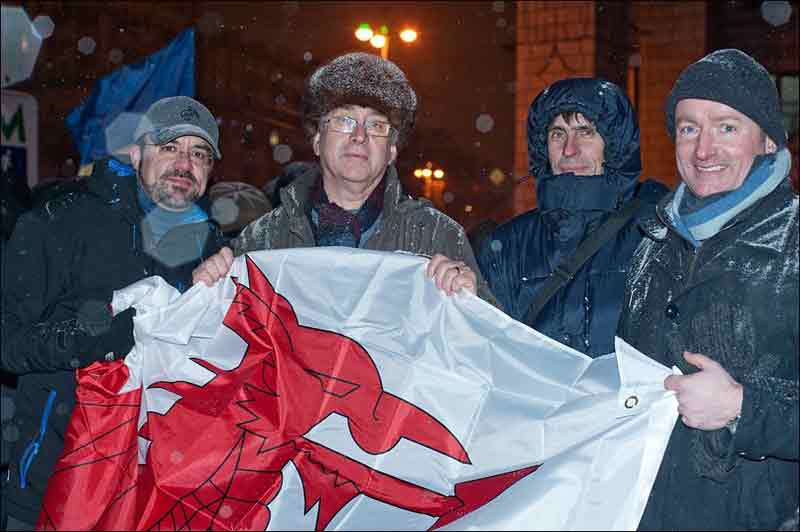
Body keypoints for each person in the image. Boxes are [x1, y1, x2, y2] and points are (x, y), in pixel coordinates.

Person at [0, 95, 227, 529]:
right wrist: (98, 336)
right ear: (137, 153)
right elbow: (8, 343)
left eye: (198, 154)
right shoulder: (61, 220)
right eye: (170, 148)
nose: (184, 163)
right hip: (56, 486)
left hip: (154, 492)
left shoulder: (208, 243)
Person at [616, 49, 798, 530]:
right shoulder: (655, 242)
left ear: (766, 142)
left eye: (727, 127)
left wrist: (742, 408)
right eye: (689, 127)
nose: (703, 150)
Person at [193, 52, 493, 302]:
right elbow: (225, 351)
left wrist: (471, 299)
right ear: (316, 141)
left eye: (377, 125)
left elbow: (489, 351)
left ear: (391, 151)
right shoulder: (263, 240)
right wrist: (208, 292)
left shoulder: (437, 237)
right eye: (344, 120)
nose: (359, 136)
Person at [477, 78, 667, 357]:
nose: (569, 149)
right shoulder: (508, 246)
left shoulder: (656, 235)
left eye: (585, 132)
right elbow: (484, 351)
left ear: (614, 145)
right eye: (557, 134)